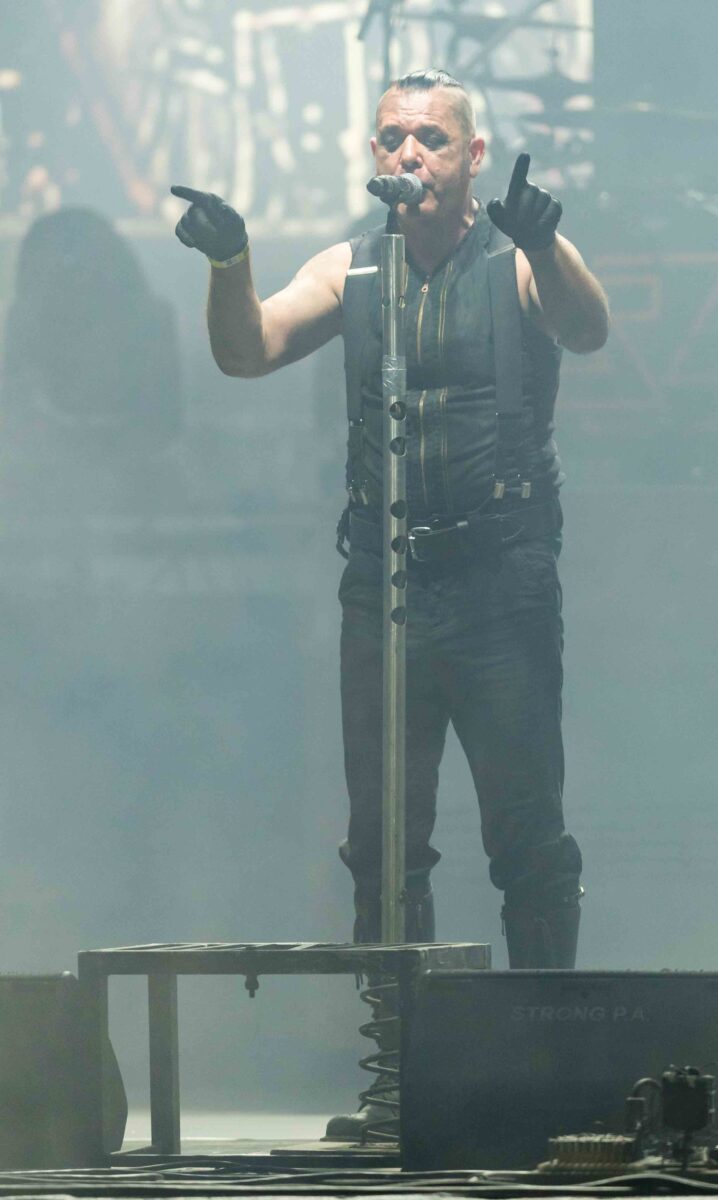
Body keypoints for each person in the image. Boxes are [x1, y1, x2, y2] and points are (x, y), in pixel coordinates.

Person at [172, 59, 608, 998]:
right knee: (382, 842)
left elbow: (587, 329)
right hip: (385, 582)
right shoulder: (352, 267)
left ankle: (544, 1043)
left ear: (473, 154)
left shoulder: (516, 261)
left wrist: (547, 246)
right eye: (393, 138)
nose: (409, 154)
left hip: (500, 582)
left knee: (526, 833)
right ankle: (403, 1056)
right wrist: (228, 261)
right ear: (374, 152)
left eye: (432, 138)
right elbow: (247, 350)